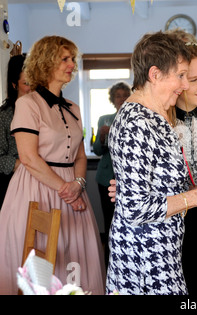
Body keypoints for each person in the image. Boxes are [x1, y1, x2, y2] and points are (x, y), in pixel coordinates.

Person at [105, 31, 197, 295]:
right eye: (180, 75)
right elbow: (135, 208)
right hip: (145, 257)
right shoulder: (137, 121)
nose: (186, 85)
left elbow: (151, 185)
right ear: (155, 74)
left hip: (164, 249)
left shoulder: (156, 116)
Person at [0, 36, 106, 295]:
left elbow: (80, 156)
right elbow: (27, 157)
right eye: (65, 59)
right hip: (36, 189)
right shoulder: (27, 104)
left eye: (73, 59)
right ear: (46, 63)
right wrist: (65, 189)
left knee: (75, 255)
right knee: (41, 257)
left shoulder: (73, 108)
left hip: (73, 189)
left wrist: (78, 185)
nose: (72, 65)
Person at [93, 81, 131, 264]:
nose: (122, 99)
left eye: (125, 95)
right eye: (118, 96)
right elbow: (97, 151)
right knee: (109, 222)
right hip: (106, 178)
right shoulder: (103, 119)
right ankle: (110, 262)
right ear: (112, 99)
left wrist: (114, 132)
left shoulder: (133, 119)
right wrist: (101, 138)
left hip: (128, 180)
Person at [0, 54, 30, 209]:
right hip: (13, 183)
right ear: (14, 85)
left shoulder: (43, 113)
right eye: (27, 83)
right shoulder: (5, 115)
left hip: (41, 181)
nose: (32, 88)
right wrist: (27, 167)